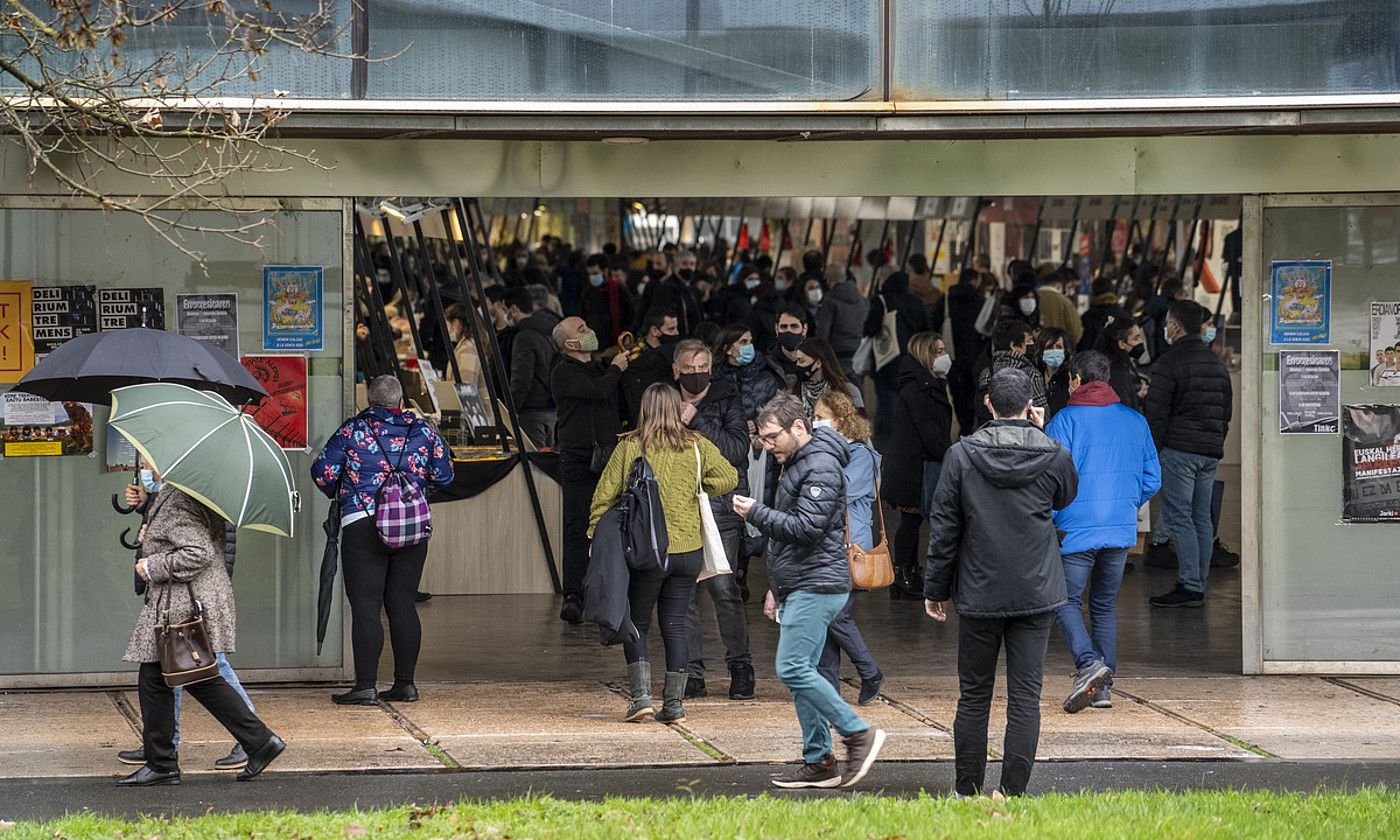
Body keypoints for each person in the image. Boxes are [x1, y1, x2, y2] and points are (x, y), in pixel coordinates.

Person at [924, 367, 1078, 798]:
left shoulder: (961, 455)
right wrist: (1041, 435)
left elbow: (944, 529)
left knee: (973, 697)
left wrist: (935, 589)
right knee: (1025, 698)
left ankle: (966, 790)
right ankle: (1013, 792)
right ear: (1030, 405)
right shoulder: (1054, 453)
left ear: (988, 404)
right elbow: (1065, 497)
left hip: (978, 590)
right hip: (1036, 589)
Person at [733, 394, 886, 790]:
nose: (767, 446)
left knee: (792, 668)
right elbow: (793, 539)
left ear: (798, 428)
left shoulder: (819, 466)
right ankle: (819, 761)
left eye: (771, 438)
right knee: (807, 673)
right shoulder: (802, 460)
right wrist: (776, 589)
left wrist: (756, 514)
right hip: (801, 581)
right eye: (763, 439)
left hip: (818, 584)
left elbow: (805, 529)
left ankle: (857, 733)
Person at [119, 467, 285, 786]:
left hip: (184, 598)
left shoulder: (179, 496)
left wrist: (152, 564)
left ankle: (168, 762)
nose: (147, 467)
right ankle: (167, 761)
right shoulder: (186, 489)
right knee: (166, 677)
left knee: (182, 677)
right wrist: (150, 525)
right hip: (184, 597)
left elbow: (198, 552)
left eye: (152, 462)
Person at [589, 384, 738, 724]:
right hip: (688, 553)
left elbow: (604, 496)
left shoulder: (630, 446)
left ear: (645, 409)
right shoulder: (696, 445)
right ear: (677, 408)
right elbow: (729, 477)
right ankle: (674, 706)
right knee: (675, 625)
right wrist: (700, 485)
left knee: (638, 621)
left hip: (647, 552)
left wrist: (595, 534)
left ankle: (641, 699)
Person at [313, 375, 454, 706]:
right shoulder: (423, 431)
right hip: (411, 527)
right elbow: (446, 474)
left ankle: (365, 686)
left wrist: (348, 492)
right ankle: (405, 684)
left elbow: (323, 473)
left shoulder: (353, 431)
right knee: (403, 603)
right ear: (401, 401)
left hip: (362, 524)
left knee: (366, 606)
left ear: (368, 401)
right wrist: (414, 493)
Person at [1045, 352, 1161, 713]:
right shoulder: (1134, 420)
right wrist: (1125, 506)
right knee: (1103, 604)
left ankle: (1087, 664)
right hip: (1119, 528)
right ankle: (1103, 689)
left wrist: (1051, 516)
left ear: (1077, 378)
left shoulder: (1064, 421)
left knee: (1063, 599)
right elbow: (1152, 479)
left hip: (1074, 528)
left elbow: (1048, 478)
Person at [672, 339, 755, 701]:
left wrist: (698, 420)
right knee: (683, 592)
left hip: (720, 507)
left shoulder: (726, 400)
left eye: (701, 366)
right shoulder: (663, 400)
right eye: (688, 368)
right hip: (678, 508)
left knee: (724, 589)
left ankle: (740, 666)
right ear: (676, 370)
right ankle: (692, 673)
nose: (695, 373)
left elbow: (738, 451)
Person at [1145, 300, 1233, 608]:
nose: (1165, 327)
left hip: (1179, 452)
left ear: (1176, 327)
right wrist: (1215, 442)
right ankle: (1199, 578)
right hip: (1209, 452)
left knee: (1180, 516)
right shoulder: (1216, 364)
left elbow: (1156, 414)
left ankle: (1190, 585)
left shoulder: (1168, 363)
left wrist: (1152, 452)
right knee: (1201, 517)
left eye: (1168, 321)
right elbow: (1226, 412)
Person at [550, 316, 629, 625]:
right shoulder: (563, 372)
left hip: (609, 456)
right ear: (570, 344)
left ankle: (610, 589)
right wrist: (616, 369)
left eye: (587, 325)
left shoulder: (598, 367)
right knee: (577, 528)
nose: (589, 331)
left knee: (612, 525)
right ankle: (573, 595)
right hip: (580, 459)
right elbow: (596, 391)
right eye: (581, 330)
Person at [812, 391, 884, 704]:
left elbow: (835, 490)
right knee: (828, 619)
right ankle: (829, 689)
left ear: (840, 421)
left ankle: (870, 672)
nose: (814, 423)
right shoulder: (823, 453)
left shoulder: (860, 456)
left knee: (833, 615)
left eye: (819, 416)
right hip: (827, 546)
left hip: (850, 548)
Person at [883, 331, 954, 599]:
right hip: (915, 468)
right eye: (938, 351)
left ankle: (908, 572)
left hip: (916, 466)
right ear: (925, 355)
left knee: (912, 522)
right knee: (910, 523)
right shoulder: (919, 389)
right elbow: (930, 433)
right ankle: (902, 574)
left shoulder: (926, 384)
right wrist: (951, 454)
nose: (943, 356)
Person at [865, 270, 930, 438]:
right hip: (912, 360)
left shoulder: (881, 301)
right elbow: (927, 330)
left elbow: (870, 329)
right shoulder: (916, 302)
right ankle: (891, 433)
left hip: (887, 360)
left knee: (888, 399)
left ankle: (890, 439)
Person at [504, 287, 560, 449]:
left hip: (531, 411)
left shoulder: (524, 337)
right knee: (548, 462)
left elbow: (521, 379)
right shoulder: (550, 329)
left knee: (535, 463)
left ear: (514, 309)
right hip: (551, 409)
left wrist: (511, 409)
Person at [975, 320, 1045, 427]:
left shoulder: (987, 372)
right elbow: (1043, 414)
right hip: (1022, 437)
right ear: (1014, 345)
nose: (1033, 345)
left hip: (991, 435)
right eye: (1029, 341)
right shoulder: (1031, 374)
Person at [946, 267, 987, 434]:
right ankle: (971, 429)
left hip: (952, 357)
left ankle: (963, 428)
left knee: (958, 397)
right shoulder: (981, 302)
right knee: (973, 395)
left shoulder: (946, 301)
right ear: (975, 281)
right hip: (976, 358)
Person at [622, 308, 681, 425]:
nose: (677, 333)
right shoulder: (635, 357)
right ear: (654, 330)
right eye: (671, 329)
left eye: (676, 328)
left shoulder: (672, 354)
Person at [815, 264, 870, 381]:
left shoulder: (830, 299)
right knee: (857, 392)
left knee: (838, 392)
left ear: (828, 278)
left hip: (837, 354)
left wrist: (819, 353)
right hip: (858, 353)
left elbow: (823, 332)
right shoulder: (862, 299)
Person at [444, 303, 496, 425]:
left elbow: (466, 387)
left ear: (456, 323)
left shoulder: (468, 348)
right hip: (474, 417)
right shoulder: (467, 345)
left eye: (448, 324)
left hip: (474, 420)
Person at [791, 338, 864, 417]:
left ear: (818, 363)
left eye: (801, 361)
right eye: (796, 361)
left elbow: (861, 424)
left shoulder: (849, 390)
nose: (797, 365)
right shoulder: (793, 392)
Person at [639, 249, 703, 336]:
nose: (689, 268)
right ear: (675, 266)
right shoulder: (666, 289)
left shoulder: (693, 290)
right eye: (684, 264)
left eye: (692, 264)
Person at [578, 253, 636, 347]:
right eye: (590, 274)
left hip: (616, 343)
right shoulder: (587, 292)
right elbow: (582, 315)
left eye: (595, 273)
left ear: (605, 271)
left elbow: (631, 315)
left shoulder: (618, 290)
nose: (592, 277)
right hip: (593, 345)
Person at [1036, 272, 1083, 348]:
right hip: (1059, 348)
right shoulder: (1065, 302)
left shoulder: (1034, 297)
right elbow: (1075, 331)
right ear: (1059, 286)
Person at [1036, 327, 1073, 420]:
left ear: (1065, 351)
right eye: (1049, 347)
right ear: (1041, 352)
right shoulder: (1034, 377)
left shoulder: (1070, 379)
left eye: (1059, 347)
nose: (1054, 351)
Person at [772, 303, 810, 385]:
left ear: (804, 329)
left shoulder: (816, 362)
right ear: (776, 329)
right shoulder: (768, 364)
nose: (788, 331)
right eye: (784, 327)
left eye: (794, 326)